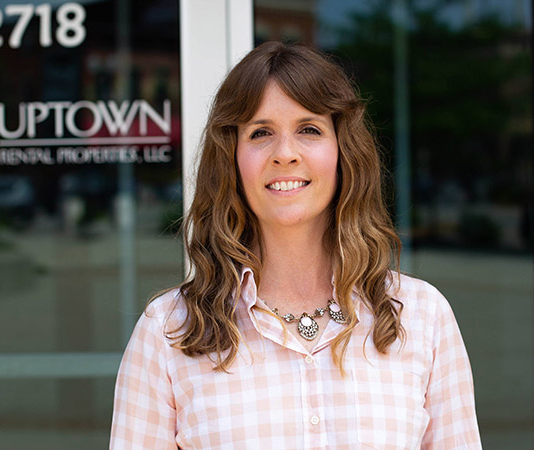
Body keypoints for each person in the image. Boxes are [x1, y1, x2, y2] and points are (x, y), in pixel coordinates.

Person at [110, 41, 481, 449]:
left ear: (342, 152)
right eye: (261, 133)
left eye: (309, 130)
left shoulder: (422, 317)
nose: (285, 154)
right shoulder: (169, 332)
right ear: (231, 159)